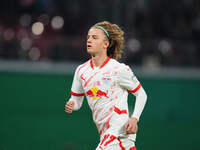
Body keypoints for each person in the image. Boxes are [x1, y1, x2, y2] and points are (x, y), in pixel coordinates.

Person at [65, 21, 147, 150]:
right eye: (88, 37)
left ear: (106, 44)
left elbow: (141, 94)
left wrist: (134, 119)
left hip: (119, 131)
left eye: (95, 37)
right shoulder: (81, 71)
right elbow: (77, 101)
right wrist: (71, 104)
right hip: (105, 134)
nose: (89, 40)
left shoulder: (118, 69)